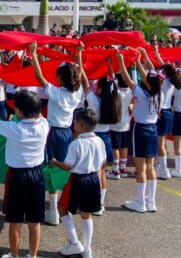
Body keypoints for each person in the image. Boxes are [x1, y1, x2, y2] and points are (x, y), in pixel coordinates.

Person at [0, 90, 48, 258]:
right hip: (36, 175)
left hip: (17, 177)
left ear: (19, 111)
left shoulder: (14, 128)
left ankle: (14, 256)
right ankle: (33, 255)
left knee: (15, 221)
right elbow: (38, 114)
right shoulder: (44, 125)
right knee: (34, 222)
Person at [28, 41, 84, 226]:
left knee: (51, 168)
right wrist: (79, 55)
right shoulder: (77, 93)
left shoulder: (56, 93)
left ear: (60, 79)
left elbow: (38, 76)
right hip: (67, 133)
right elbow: (82, 75)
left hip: (52, 133)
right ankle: (60, 206)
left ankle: (53, 212)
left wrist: (34, 54)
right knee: (61, 167)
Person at [50, 108, 106, 258]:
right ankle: (87, 249)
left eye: (74, 122)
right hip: (94, 179)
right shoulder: (99, 141)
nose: (73, 124)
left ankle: (74, 243)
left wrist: (55, 162)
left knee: (62, 208)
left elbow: (68, 166)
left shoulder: (76, 144)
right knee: (86, 213)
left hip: (78, 180)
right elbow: (103, 162)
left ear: (80, 126)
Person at [116, 50, 160, 213]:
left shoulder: (142, 93)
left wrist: (121, 61)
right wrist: (139, 61)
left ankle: (140, 202)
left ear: (148, 82)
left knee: (140, 168)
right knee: (150, 167)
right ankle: (151, 201)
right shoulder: (157, 93)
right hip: (153, 130)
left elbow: (127, 80)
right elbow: (150, 77)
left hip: (141, 130)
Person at [83, 76, 120, 216]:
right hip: (105, 138)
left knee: (94, 173)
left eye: (97, 85)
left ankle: (95, 204)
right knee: (102, 172)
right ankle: (101, 203)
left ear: (100, 89)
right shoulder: (112, 102)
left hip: (94, 138)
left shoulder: (94, 102)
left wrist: (79, 61)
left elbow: (85, 83)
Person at [153, 49, 181, 180]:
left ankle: (164, 169)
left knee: (159, 142)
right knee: (162, 141)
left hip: (161, 112)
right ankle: (161, 164)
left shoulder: (164, 81)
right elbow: (165, 67)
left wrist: (152, 56)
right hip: (168, 113)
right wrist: (156, 54)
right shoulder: (172, 80)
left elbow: (156, 68)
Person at [107, 70, 134, 180]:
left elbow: (113, 81)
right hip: (126, 123)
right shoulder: (131, 91)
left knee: (115, 147)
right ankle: (123, 168)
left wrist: (109, 66)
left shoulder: (116, 92)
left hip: (115, 123)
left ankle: (115, 169)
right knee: (124, 146)